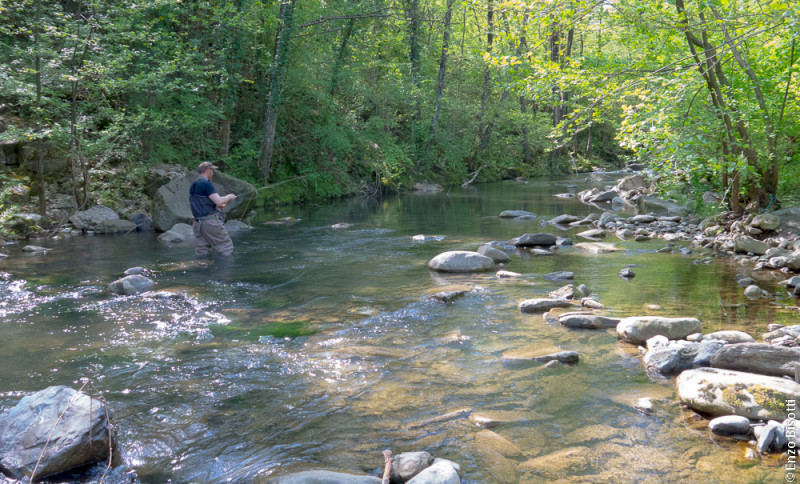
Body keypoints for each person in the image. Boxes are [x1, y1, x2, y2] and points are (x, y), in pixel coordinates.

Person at [190, 161, 237, 257]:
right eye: (212, 170)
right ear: (207, 170)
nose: (213, 173)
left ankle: (200, 270)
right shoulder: (206, 184)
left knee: (202, 250)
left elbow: (201, 202)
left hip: (198, 223)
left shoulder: (194, 185)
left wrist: (216, 206)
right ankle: (227, 271)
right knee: (226, 247)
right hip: (210, 223)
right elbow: (219, 200)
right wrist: (229, 196)